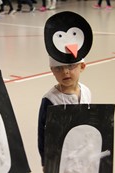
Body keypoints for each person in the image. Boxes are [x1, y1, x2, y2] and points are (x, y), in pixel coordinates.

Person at [37, 11, 93, 172]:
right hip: (62, 159)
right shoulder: (50, 100)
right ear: (52, 71)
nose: (66, 72)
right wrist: (45, 161)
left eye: (71, 66)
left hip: (83, 157)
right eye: (59, 69)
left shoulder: (87, 92)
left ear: (82, 67)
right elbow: (43, 134)